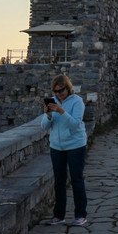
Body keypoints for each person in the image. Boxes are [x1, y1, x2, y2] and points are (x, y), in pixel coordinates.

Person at [41, 73, 88, 226]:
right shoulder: (53, 102)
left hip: (75, 145)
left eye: (61, 91)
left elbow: (75, 124)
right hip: (57, 147)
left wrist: (61, 111)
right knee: (59, 181)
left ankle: (80, 214)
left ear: (68, 89)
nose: (58, 94)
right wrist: (48, 115)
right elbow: (44, 127)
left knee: (76, 180)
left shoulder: (77, 102)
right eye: (55, 92)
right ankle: (58, 215)